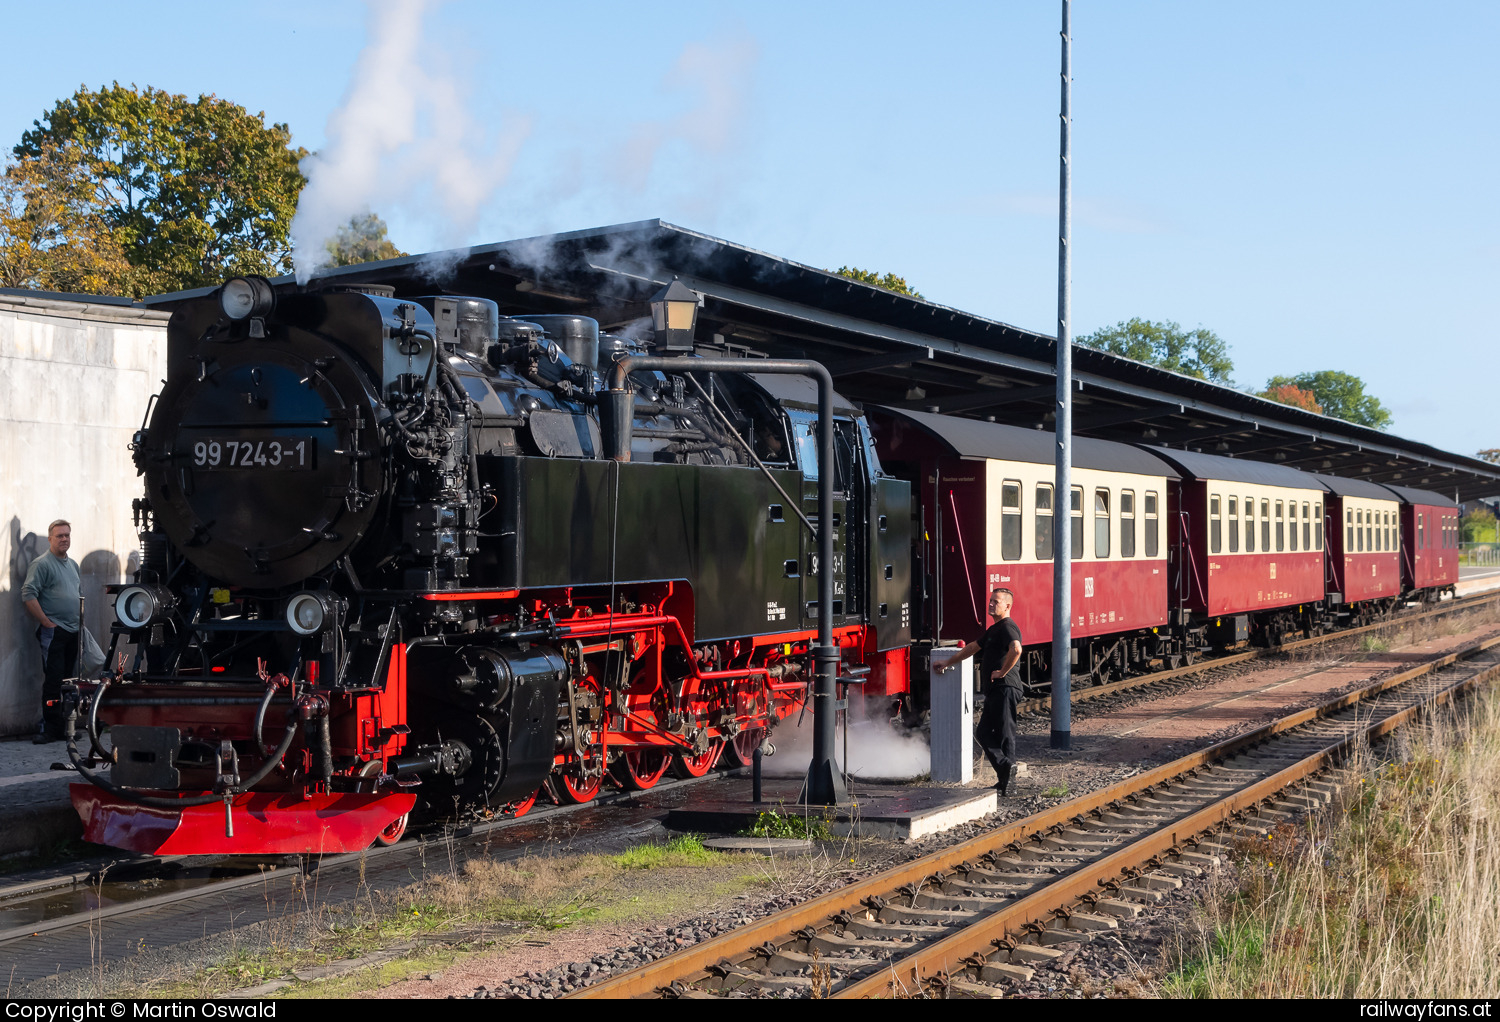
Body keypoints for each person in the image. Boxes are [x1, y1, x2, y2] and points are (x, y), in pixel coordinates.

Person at [939, 587, 1024, 795]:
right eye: (991, 601)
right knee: (984, 732)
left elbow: (1017, 649)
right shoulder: (994, 630)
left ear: (1007, 606)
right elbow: (971, 648)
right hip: (996, 690)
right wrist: (947, 662)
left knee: (1005, 734)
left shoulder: (1007, 626)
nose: (991, 604)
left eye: (996, 601)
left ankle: (1008, 783)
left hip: (1005, 687)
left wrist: (1003, 672)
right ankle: (1005, 771)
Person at [21, 520, 81, 742]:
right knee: (54, 681)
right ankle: (50, 728)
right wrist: (46, 622)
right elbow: (28, 594)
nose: (64, 539)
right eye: (59, 536)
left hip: (73, 631)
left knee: (69, 681)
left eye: (67, 535)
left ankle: (68, 728)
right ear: (50, 539)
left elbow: (78, 595)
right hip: (54, 632)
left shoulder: (73, 565)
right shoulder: (42, 564)